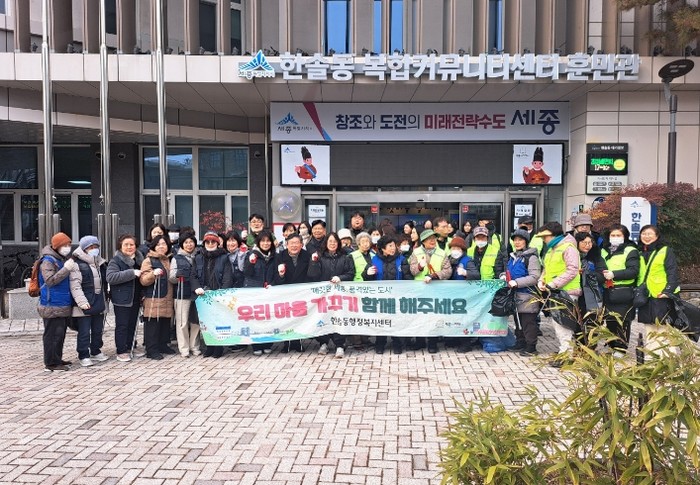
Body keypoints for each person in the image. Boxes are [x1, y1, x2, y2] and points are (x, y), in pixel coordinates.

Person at [536, 222, 581, 367]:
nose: (544, 240)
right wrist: (542, 280)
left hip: (567, 292)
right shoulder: (551, 249)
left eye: (545, 237)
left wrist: (553, 284)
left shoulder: (568, 248)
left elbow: (572, 270)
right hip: (555, 292)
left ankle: (566, 355)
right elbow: (547, 269)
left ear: (553, 235)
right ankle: (565, 352)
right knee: (558, 324)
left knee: (563, 325)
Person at [362, 235, 412, 354]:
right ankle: (380, 343)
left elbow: (408, 277)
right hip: (380, 298)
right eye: (390, 246)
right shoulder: (374, 260)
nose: (393, 248)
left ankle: (397, 343)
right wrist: (367, 274)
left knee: (396, 320)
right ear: (383, 248)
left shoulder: (401, 260)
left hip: (397, 297)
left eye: (394, 245)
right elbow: (366, 278)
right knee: (381, 320)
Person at [307, 232, 354, 358]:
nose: (332, 244)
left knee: (339, 318)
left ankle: (340, 345)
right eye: (330, 241)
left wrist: (341, 277)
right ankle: (323, 343)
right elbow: (312, 275)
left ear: (338, 243)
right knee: (323, 317)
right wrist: (314, 262)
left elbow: (351, 273)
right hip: (324, 295)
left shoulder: (345, 257)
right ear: (326, 243)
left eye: (334, 241)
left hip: (340, 295)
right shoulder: (320, 257)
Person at [37, 232, 77, 372]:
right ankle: (51, 363)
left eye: (69, 245)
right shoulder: (48, 261)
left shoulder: (59, 259)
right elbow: (50, 280)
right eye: (65, 245)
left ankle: (57, 359)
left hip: (61, 303)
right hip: (52, 304)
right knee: (52, 335)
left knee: (59, 335)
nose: (68, 248)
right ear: (57, 246)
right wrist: (66, 269)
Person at [409, 229, 452, 353]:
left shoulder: (442, 253)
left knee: (434, 316)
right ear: (423, 241)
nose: (432, 241)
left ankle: (432, 343)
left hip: (436, 290)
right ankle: (420, 341)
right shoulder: (416, 252)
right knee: (419, 316)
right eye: (429, 239)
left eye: (434, 238)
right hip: (419, 290)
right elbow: (412, 270)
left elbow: (448, 271)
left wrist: (434, 276)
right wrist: (419, 266)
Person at [68, 235, 109, 367]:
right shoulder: (76, 263)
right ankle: (83, 354)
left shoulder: (100, 262)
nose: (94, 249)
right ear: (84, 248)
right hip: (84, 303)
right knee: (84, 331)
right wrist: (81, 302)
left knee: (98, 329)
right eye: (91, 247)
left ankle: (96, 350)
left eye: (96, 246)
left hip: (98, 300)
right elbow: (75, 285)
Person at [600, 224, 640, 354]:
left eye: (618, 235)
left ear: (625, 236)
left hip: (623, 291)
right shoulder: (604, 250)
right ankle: (612, 346)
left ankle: (621, 349)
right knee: (610, 321)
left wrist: (614, 274)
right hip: (607, 290)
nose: (615, 237)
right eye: (613, 235)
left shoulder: (630, 250)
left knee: (622, 321)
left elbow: (633, 271)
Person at [195, 231, 234, 358]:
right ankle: (209, 347)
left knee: (219, 322)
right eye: (208, 242)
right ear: (204, 243)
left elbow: (227, 277)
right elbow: (193, 275)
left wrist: (222, 293)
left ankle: (218, 347)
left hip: (218, 295)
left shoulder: (224, 257)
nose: (210, 244)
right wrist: (197, 288)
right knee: (206, 323)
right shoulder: (198, 257)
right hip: (203, 295)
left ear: (217, 243)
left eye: (213, 242)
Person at [503, 229, 542, 356]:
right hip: (515, 295)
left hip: (528, 295)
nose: (517, 242)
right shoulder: (513, 257)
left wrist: (517, 282)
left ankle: (531, 346)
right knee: (518, 320)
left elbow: (534, 277)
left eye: (520, 240)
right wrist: (504, 275)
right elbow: (509, 272)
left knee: (528, 322)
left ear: (526, 241)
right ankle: (520, 342)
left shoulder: (531, 257)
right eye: (515, 240)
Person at [107, 234, 144, 362]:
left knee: (132, 324)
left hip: (135, 298)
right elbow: (111, 277)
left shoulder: (139, 260)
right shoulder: (116, 261)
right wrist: (131, 273)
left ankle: (131, 346)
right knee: (122, 325)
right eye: (126, 245)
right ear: (120, 246)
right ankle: (121, 350)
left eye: (131, 244)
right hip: (121, 299)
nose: (129, 247)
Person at [272, 233, 311, 353]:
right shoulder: (280, 256)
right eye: (291, 243)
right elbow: (275, 277)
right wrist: (281, 275)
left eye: (297, 243)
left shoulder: (307, 255)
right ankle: (287, 342)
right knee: (287, 318)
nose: (294, 246)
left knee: (299, 317)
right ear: (286, 244)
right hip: (286, 292)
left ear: (301, 244)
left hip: (301, 292)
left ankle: (298, 342)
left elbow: (311, 275)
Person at [636, 224, 680, 326]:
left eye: (650, 234)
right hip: (645, 295)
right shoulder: (639, 252)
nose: (646, 236)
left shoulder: (665, 250)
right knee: (648, 326)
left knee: (662, 327)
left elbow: (672, 272)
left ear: (657, 236)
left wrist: (668, 291)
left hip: (661, 295)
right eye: (644, 234)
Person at [139, 235, 175, 360]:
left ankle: (163, 345)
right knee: (153, 324)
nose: (161, 247)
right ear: (154, 246)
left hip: (167, 297)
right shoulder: (148, 261)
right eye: (158, 244)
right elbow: (143, 280)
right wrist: (153, 274)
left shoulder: (169, 259)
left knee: (165, 323)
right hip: (153, 298)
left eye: (164, 244)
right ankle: (151, 349)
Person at [243, 230, 277, 355]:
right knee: (255, 318)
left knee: (269, 317)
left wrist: (272, 283)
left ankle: (268, 343)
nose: (266, 243)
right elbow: (247, 273)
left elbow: (276, 273)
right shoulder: (251, 254)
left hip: (269, 292)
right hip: (254, 291)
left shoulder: (275, 256)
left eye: (268, 241)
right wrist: (251, 263)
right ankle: (256, 345)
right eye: (263, 241)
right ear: (258, 242)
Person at [169, 233, 202, 358]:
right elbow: (171, 277)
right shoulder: (176, 258)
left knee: (195, 322)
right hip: (182, 294)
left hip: (197, 294)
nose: (189, 245)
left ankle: (195, 347)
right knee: (182, 322)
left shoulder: (199, 257)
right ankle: (184, 348)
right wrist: (179, 276)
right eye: (186, 242)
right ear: (182, 244)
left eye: (191, 242)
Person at [575, 232, 606, 344]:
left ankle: (590, 348)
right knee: (577, 324)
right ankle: (578, 348)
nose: (587, 245)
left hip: (593, 296)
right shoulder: (572, 256)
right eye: (584, 243)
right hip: (576, 294)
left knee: (592, 325)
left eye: (590, 243)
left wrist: (587, 274)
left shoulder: (596, 257)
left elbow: (602, 275)